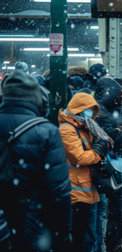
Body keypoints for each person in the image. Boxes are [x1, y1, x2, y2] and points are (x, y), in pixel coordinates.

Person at [0, 70, 72, 251]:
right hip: (31, 225)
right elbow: (58, 192)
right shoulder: (46, 132)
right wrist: (62, 233)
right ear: (36, 98)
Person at [59, 92, 112, 252]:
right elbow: (79, 157)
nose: (90, 113)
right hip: (77, 193)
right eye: (88, 109)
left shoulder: (84, 127)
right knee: (81, 238)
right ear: (78, 109)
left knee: (89, 237)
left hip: (88, 190)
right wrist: (97, 154)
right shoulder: (67, 129)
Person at [94, 77, 122, 252]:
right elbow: (115, 137)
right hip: (109, 169)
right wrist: (121, 132)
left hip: (116, 166)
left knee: (116, 209)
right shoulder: (101, 112)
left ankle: (115, 242)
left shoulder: (109, 110)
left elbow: (120, 135)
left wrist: (119, 133)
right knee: (113, 210)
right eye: (119, 94)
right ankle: (112, 245)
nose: (121, 97)